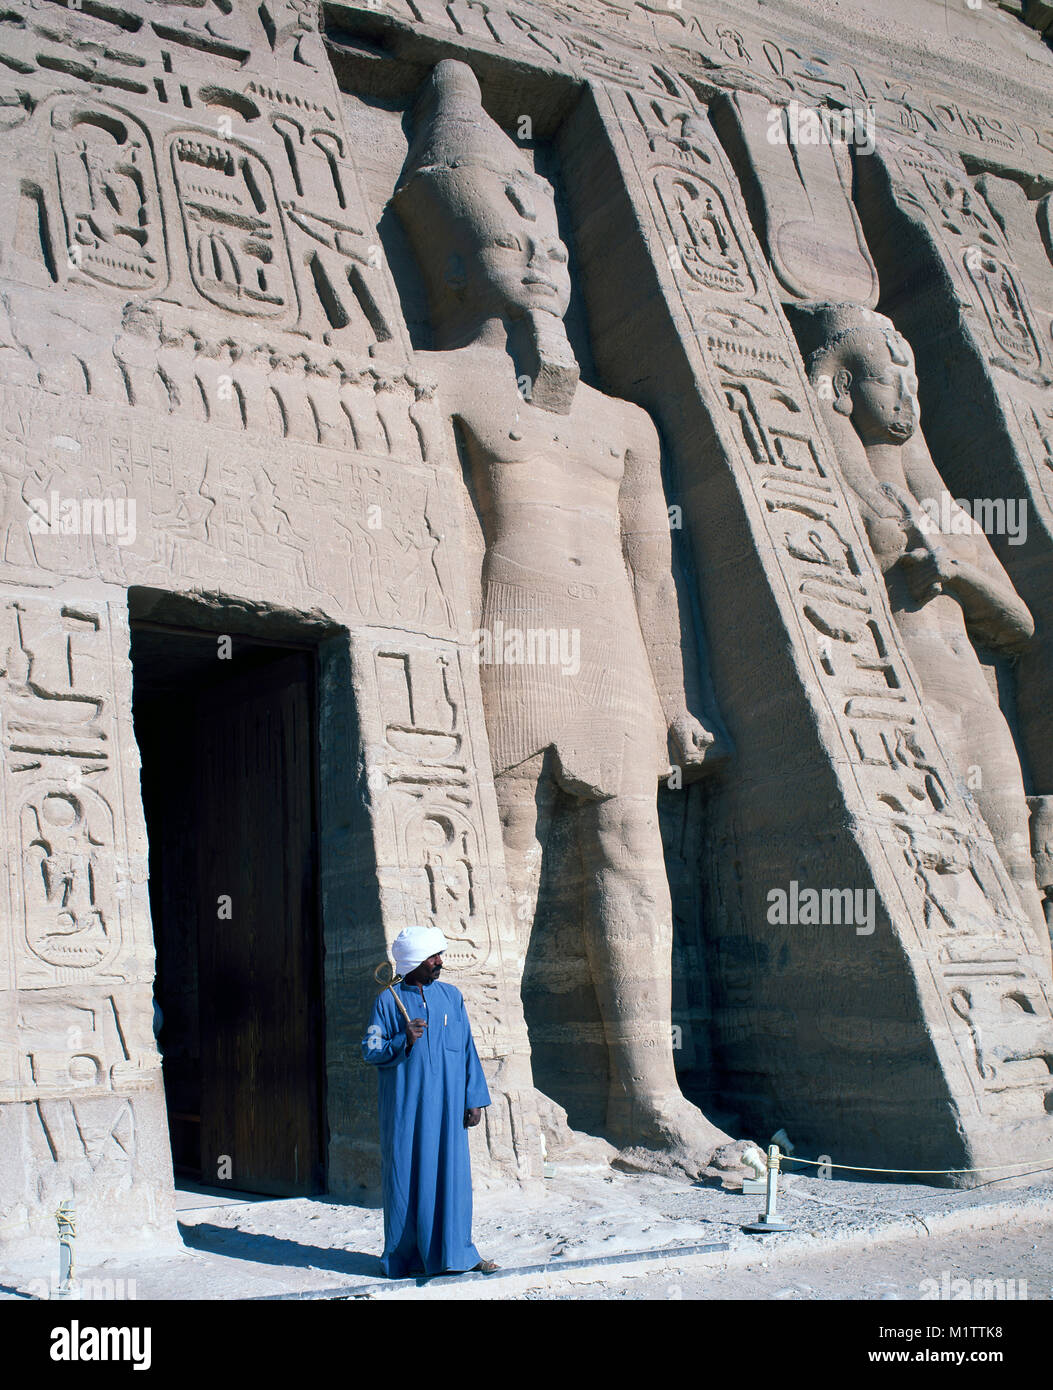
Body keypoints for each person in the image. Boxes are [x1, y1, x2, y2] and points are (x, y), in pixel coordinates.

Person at [391, 59, 749, 1178]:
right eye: (512, 240)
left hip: (615, 665)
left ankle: (651, 1097)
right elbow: (425, 534)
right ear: (453, 260)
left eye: (549, 242)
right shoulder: (446, 381)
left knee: (633, 858)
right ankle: (507, 1081)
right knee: (507, 852)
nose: (542, 259)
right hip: (510, 642)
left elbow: (652, 571)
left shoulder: (627, 424)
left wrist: (677, 701)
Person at [362, 924, 497, 1277]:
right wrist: (401, 1040)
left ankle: (460, 1255)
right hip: (408, 1111)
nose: (440, 962)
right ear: (413, 963)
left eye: (439, 955)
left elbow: (467, 1049)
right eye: (432, 957)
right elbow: (371, 1050)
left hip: (449, 1110)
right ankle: (406, 1260)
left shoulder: (452, 997)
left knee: (453, 1182)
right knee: (407, 1182)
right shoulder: (387, 1001)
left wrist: (474, 1098)